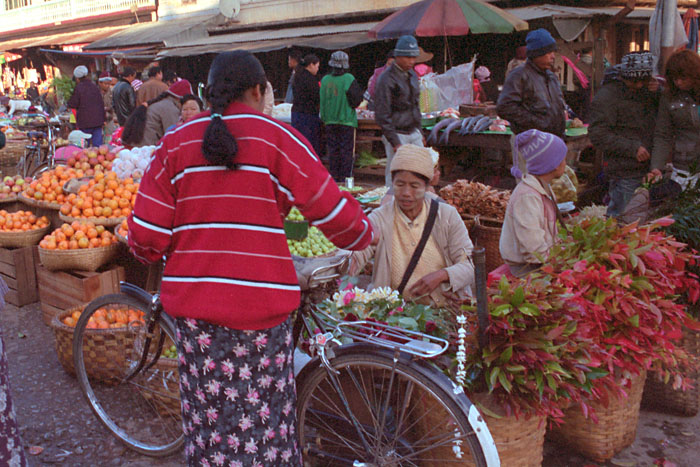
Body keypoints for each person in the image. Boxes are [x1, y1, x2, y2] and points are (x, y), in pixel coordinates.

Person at [127, 50, 373, 465]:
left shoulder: (175, 143)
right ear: (259, 91)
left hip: (196, 319)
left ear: (209, 93)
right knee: (265, 424)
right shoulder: (277, 138)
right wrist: (366, 231)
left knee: (210, 423)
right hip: (264, 316)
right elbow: (332, 212)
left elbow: (145, 238)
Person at [350, 145, 474, 307]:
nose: (406, 192)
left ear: (426, 187)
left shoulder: (446, 215)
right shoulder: (380, 218)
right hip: (396, 312)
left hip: (443, 308)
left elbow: (471, 265)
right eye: (400, 185)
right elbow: (357, 253)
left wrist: (442, 275)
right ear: (392, 183)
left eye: (415, 186)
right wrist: (346, 261)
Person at [588, 51, 660, 217]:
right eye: (634, 82)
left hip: (649, 168)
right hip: (624, 169)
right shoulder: (607, 96)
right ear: (623, 76)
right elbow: (597, 134)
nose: (639, 85)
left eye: (644, 81)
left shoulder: (649, 91)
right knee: (622, 218)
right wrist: (632, 148)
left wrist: (657, 92)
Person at [499, 129, 567, 278]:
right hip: (527, 268)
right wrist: (558, 264)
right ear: (554, 164)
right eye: (563, 158)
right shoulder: (527, 197)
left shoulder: (544, 187)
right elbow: (532, 250)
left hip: (544, 259)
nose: (565, 163)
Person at [497, 29, 567, 137]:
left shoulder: (551, 77)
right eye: (548, 52)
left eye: (553, 52)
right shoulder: (519, 75)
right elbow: (505, 107)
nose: (553, 56)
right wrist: (537, 123)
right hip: (532, 141)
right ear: (537, 54)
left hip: (555, 138)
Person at [375, 35, 424, 186]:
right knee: (396, 173)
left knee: (420, 169)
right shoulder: (386, 79)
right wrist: (395, 141)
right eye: (408, 57)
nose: (412, 61)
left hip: (413, 130)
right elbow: (382, 114)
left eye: (414, 57)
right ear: (397, 57)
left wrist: (420, 132)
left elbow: (415, 105)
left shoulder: (412, 75)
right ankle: (391, 203)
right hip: (397, 133)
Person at [649, 49, 700, 188]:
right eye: (674, 78)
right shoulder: (668, 97)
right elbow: (663, 134)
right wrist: (656, 166)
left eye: (683, 78)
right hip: (683, 165)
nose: (678, 82)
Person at [320, 51, 364, 182]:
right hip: (346, 121)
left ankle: (335, 179)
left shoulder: (325, 79)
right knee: (346, 152)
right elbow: (356, 100)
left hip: (329, 121)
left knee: (333, 152)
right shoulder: (348, 78)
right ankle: (346, 180)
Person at [122, 79, 193, 147]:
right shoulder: (170, 108)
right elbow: (173, 136)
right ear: (180, 99)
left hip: (136, 145)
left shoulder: (164, 103)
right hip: (146, 147)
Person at [67, 65, 105, 147]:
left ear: (77, 78)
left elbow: (73, 103)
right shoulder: (94, 87)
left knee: (83, 146)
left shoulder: (79, 88)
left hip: (85, 122)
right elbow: (101, 103)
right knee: (98, 146)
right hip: (97, 121)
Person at [291, 54, 321, 156]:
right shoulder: (310, 79)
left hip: (296, 113)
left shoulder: (298, 76)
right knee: (308, 145)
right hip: (308, 115)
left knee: (298, 144)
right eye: (317, 66)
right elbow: (316, 97)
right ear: (311, 65)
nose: (318, 69)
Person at [99, 71, 117, 141]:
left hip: (109, 118)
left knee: (109, 137)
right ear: (100, 83)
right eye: (105, 84)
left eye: (108, 84)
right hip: (99, 120)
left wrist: (109, 108)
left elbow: (114, 104)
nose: (107, 86)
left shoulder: (112, 91)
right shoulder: (96, 92)